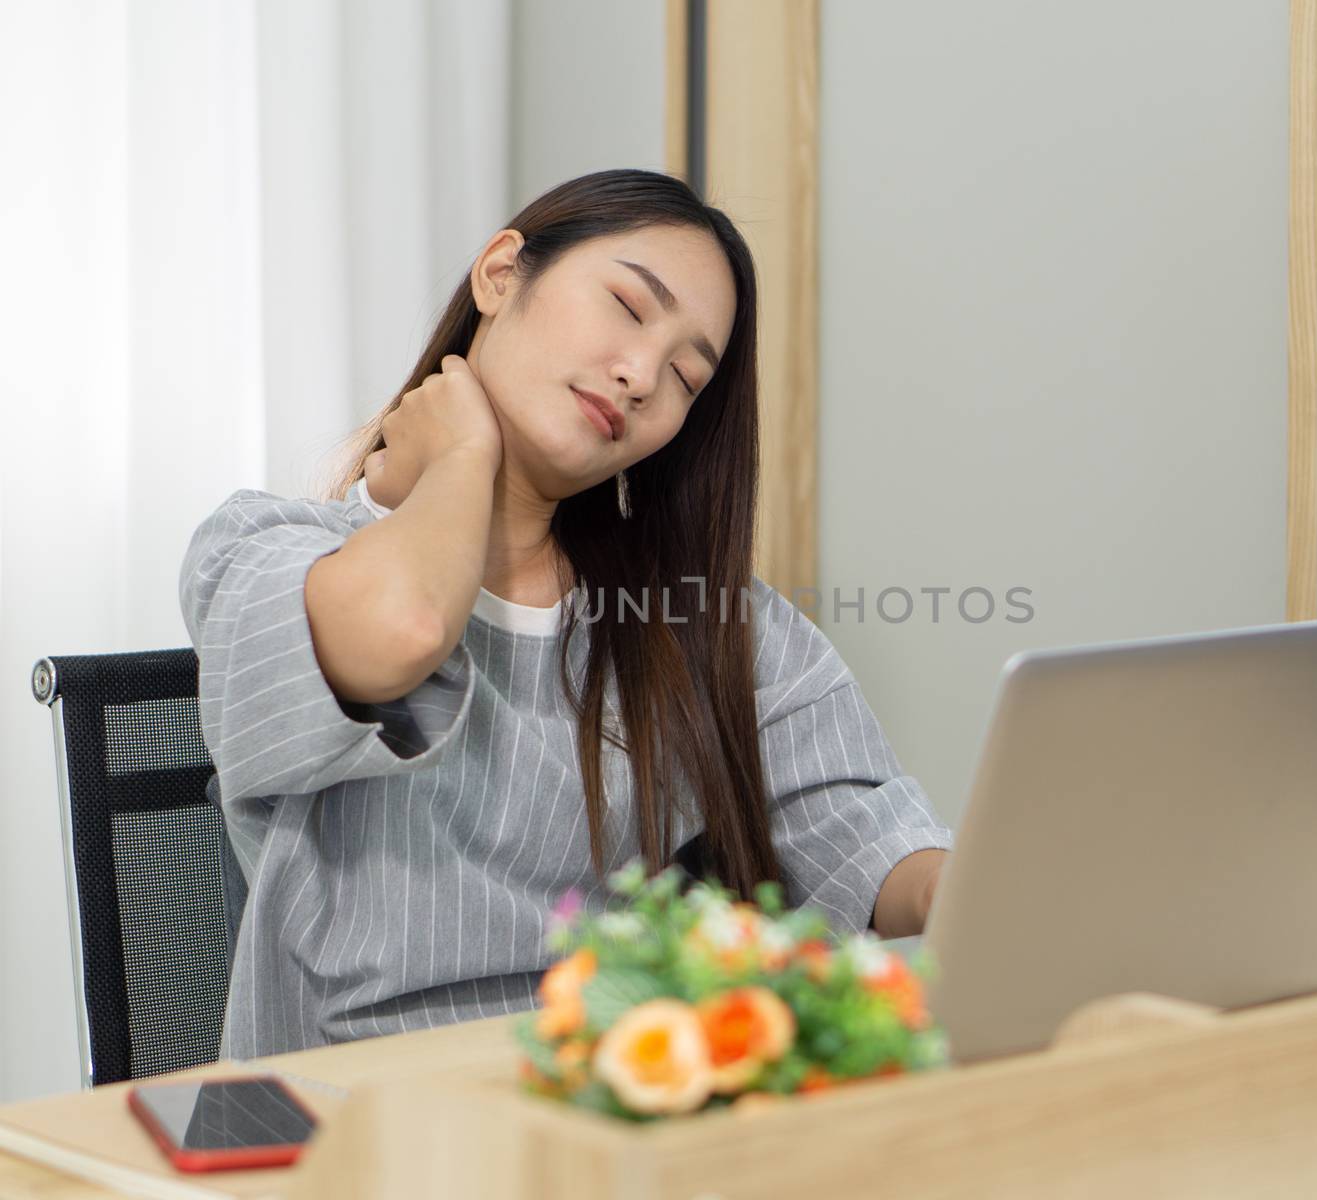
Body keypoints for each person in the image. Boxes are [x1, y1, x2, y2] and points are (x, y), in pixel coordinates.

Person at [179, 168, 952, 1057]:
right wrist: (465, 452)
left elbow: (870, 839)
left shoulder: (699, 620)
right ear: (501, 274)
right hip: (354, 1122)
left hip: (603, 1100)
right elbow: (402, 629)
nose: (638, 376)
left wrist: (981, 887)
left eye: (685, 376)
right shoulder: (263, 546)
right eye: (627, 306)